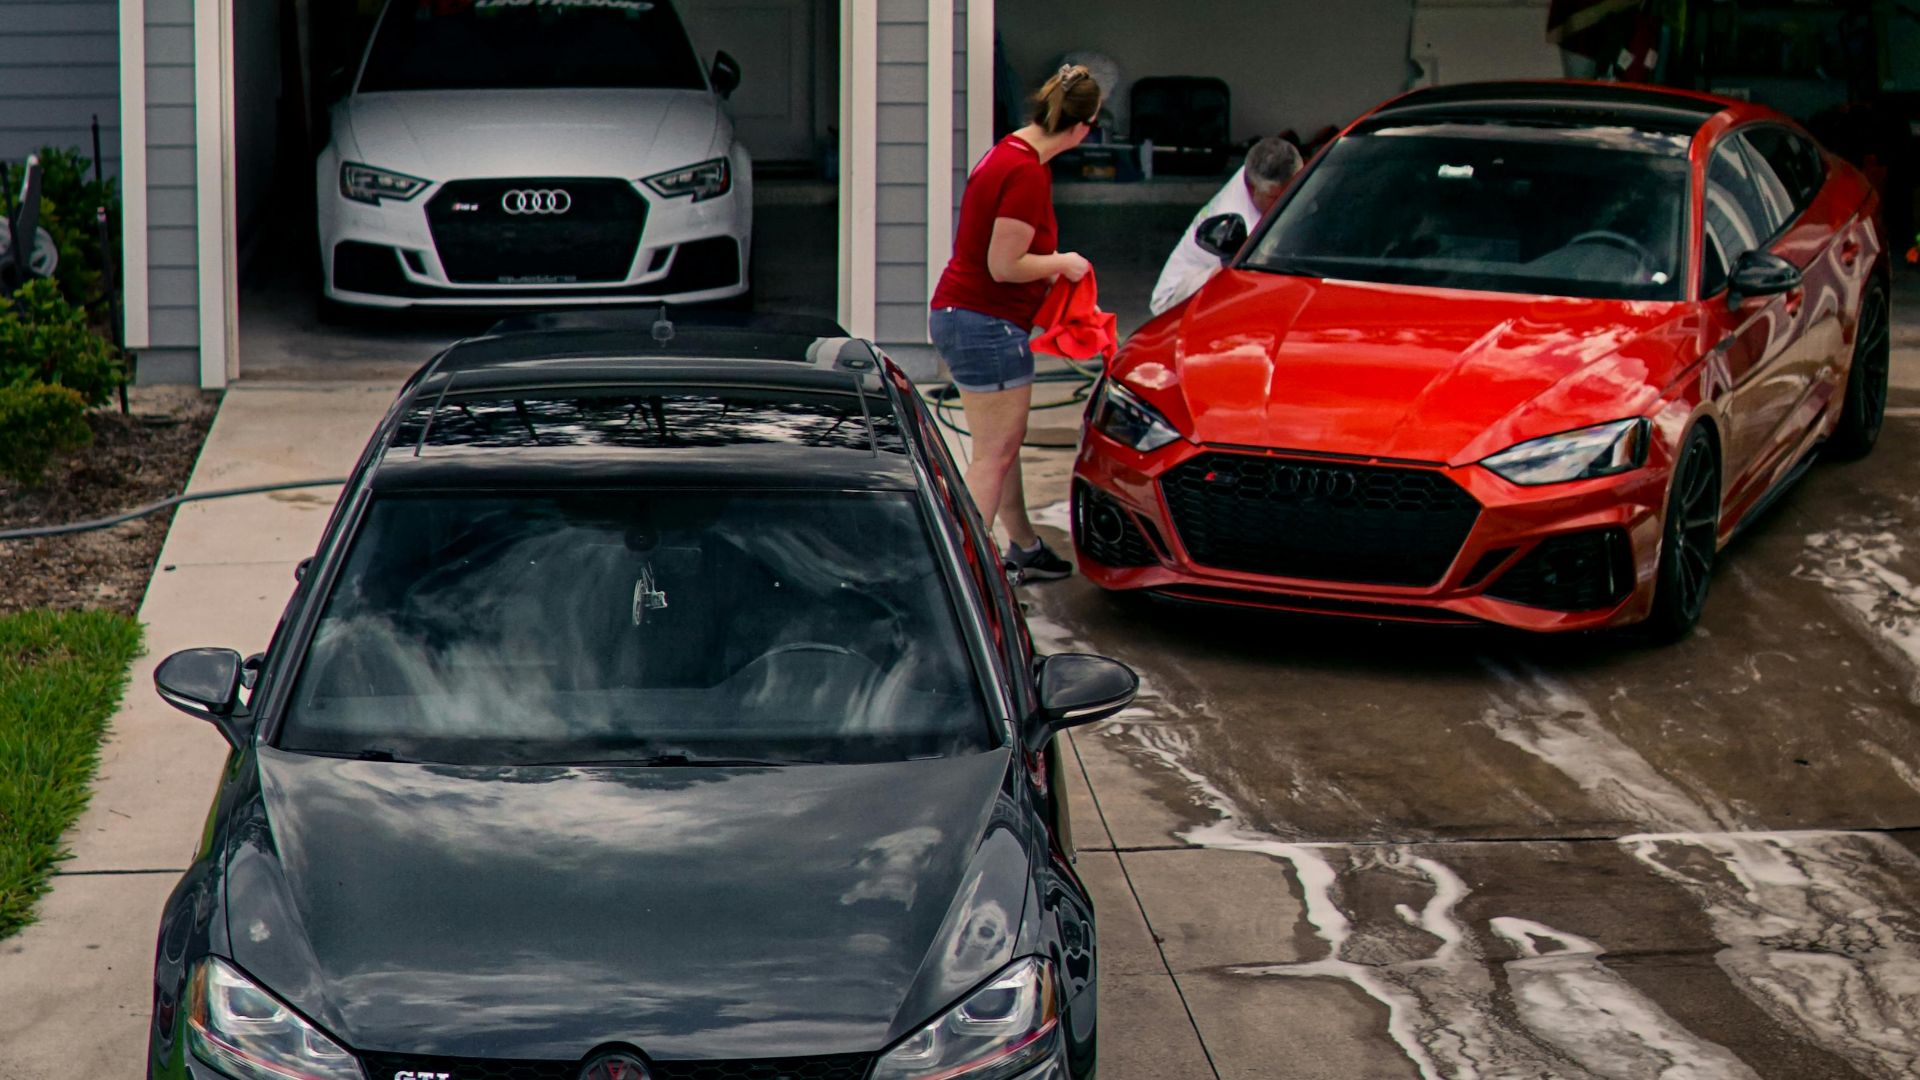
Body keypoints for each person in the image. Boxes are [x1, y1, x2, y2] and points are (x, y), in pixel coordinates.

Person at [929, 64, 1102, 582]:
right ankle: (963, 576)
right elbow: (1003, 265)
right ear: (1082, 127)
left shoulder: (1008, 151)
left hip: (963, 316)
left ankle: (1024, 546)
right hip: (986, 325)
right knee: (992, 456)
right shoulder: (1026, 173)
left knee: (1001, 449)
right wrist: (1064, 263)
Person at [1149, 136, 1304, 316]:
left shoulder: (1260, 175)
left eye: (1292, 191)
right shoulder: (1233, 219)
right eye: (1276, 197)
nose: (1287, 202)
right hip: (1174, 300)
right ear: (1252, 188)